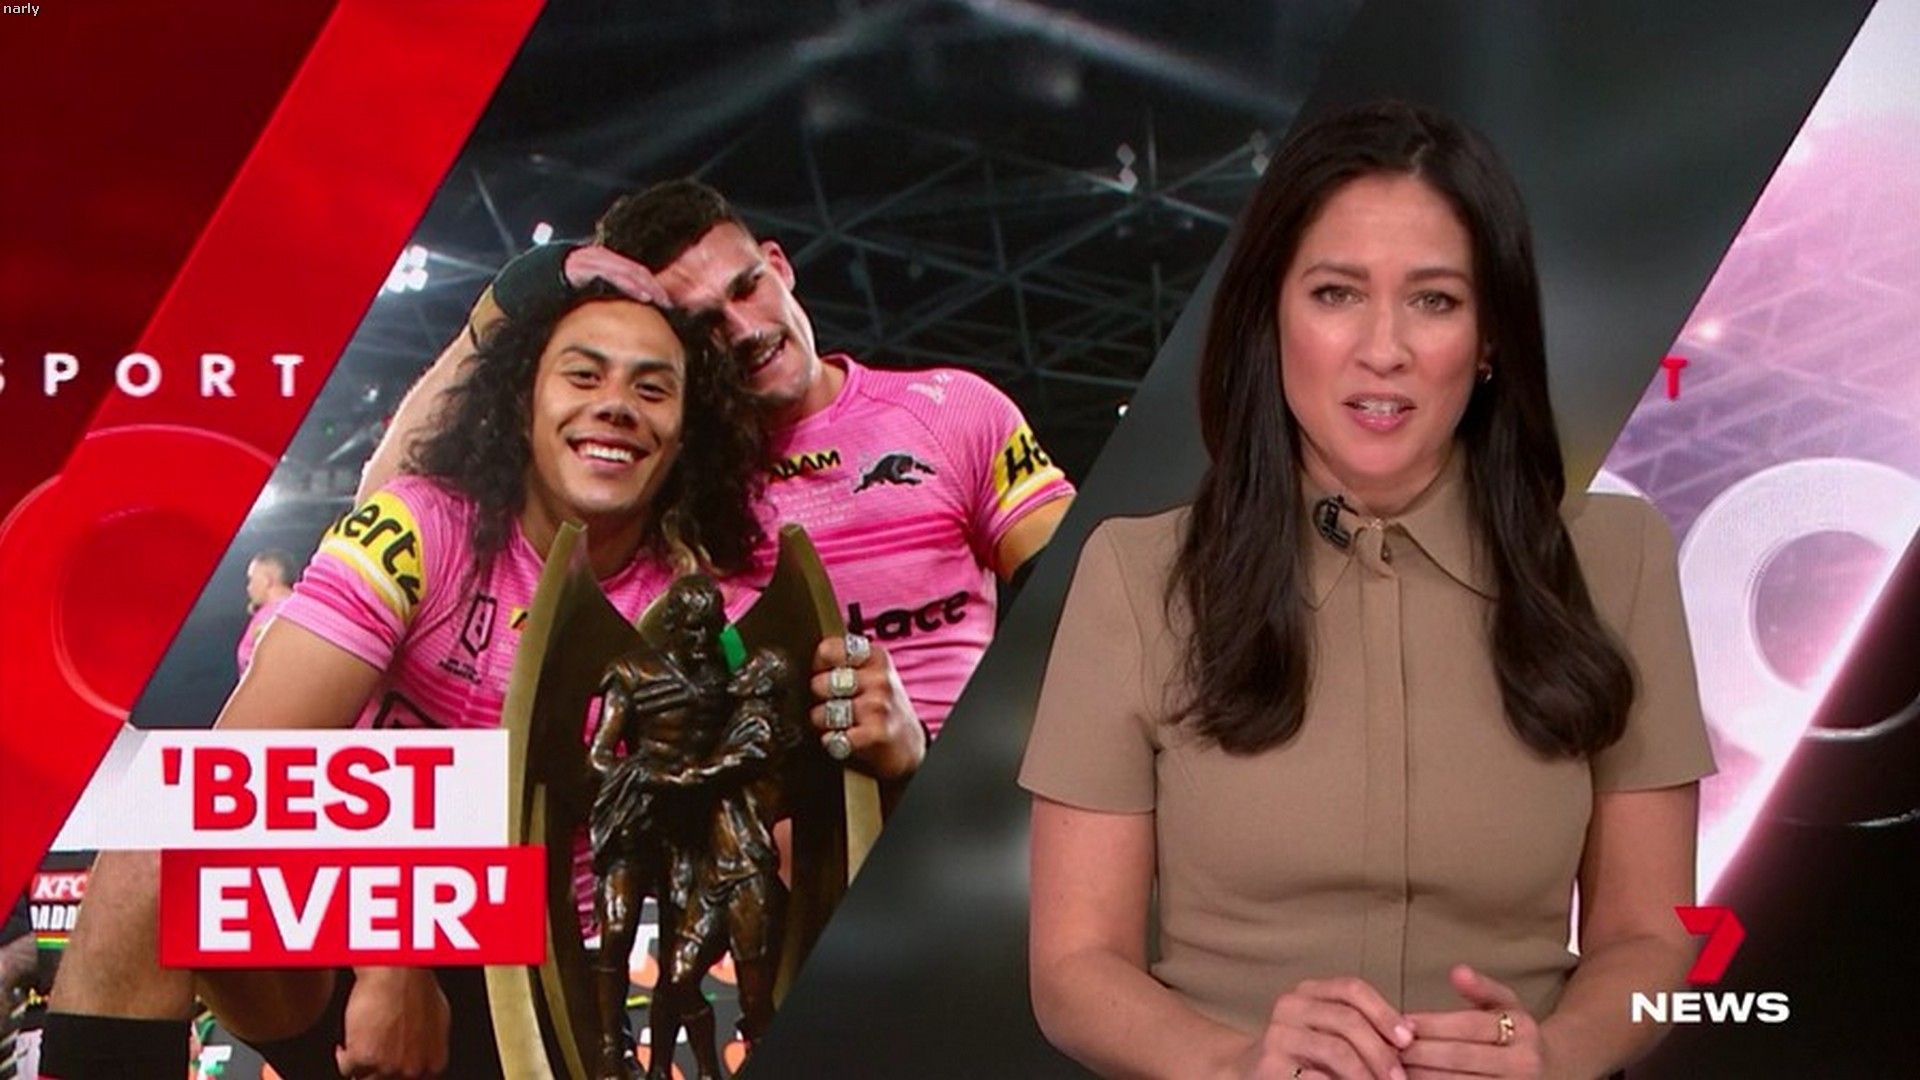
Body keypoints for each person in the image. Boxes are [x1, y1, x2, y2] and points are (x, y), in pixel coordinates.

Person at [1021, 102, 1713, 1080]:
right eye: (1336, 293)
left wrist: (1554, 1056)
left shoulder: (1619, 559)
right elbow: (1073, 967)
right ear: (1271, 317)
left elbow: (1653, 938)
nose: (1382, 349)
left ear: (1489, 340)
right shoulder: (1137, 578)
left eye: (1434, 300)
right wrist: (1234, 1064)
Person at [41, 290, 765, 1080]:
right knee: (160, 841)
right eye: (583, 376)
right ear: (524, 403)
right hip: (357, 939)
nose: (617, 404)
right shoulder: (419, 524)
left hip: (541, 968)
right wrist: (393, 947)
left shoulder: (699, 605)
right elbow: (237, 772)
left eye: (652, 388)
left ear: (684, 431)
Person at [364, 179, 1077, 768]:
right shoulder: (660, 477)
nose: (746, 330)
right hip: (768, 860)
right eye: (705, 322)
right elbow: (387, 505)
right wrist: (511, 298)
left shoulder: (953, 411)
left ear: (780, 264)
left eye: (747, 287)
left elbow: (1096, 605)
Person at [236, 548, 297, 675]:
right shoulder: (303, 609)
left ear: (267, 581)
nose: (249, 587)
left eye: (251, 579)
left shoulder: (271, 616)